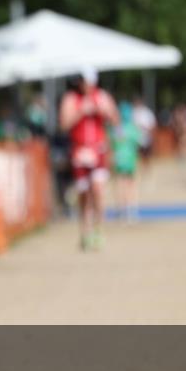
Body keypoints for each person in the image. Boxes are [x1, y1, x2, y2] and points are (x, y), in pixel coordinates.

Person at [59, 67, 119, 250]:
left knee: (98, 191)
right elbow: (63, 124)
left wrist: (102, 111)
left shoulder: (102, 96)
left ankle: (99, 231)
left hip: (98, 151)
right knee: (84, 195)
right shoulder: (71, 99)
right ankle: (84, 232)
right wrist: (81, 111)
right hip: (79, 152)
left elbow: (115, 120)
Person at [111, 101, 143, 222]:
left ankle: (121, 209)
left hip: (119, 158)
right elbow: (140, 141)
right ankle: (132, 209)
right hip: (130, 159)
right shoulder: (133, 128)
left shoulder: (116, 128)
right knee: (131, 184)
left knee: (120, 184)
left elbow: (112, 143)